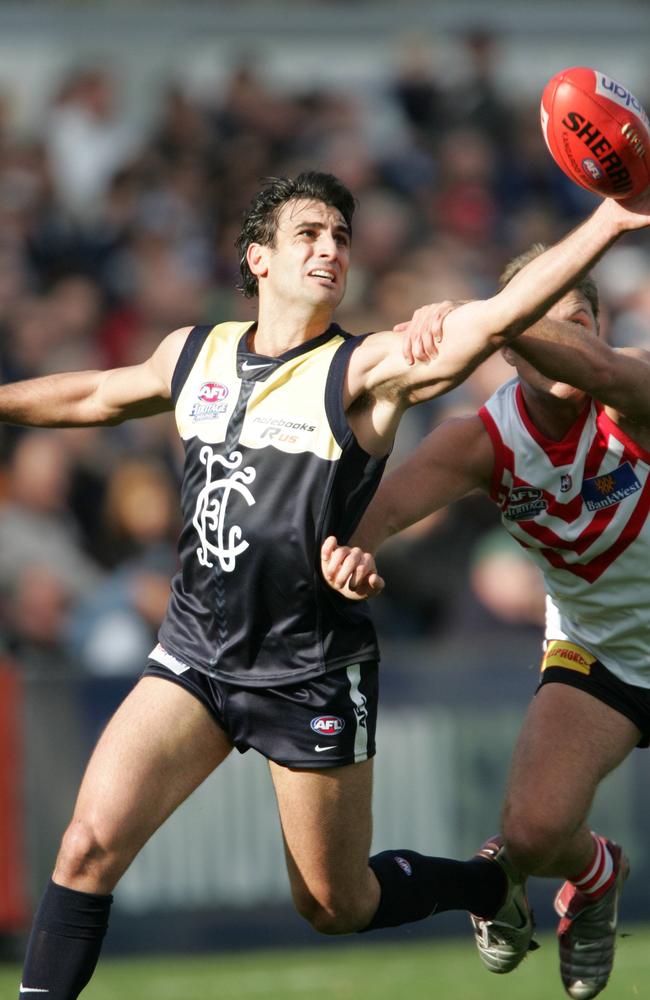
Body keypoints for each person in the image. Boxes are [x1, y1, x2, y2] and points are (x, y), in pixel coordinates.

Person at [8, 170, 650, 1000]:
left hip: (308, 665)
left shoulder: (366, 368)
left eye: (342, 237)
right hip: (196, 652)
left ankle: (486, 888)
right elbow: (94, 393)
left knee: (334, 904)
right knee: (86, 848)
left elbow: (495, 322)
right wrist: (356, 547)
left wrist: (606, 221)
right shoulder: (193, 353)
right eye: (310, 233)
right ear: (258, 257)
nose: (331, 248)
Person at [321, 241, 650, 999]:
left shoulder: (630, 385)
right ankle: (597, 877)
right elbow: (378, 516)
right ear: (509, 358)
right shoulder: (482, 440)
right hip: (598, 653)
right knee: (532, 836)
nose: (565, 341)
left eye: (578, 322)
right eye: (544, 322)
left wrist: (490, 317)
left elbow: (592, 368)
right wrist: (352, 558)